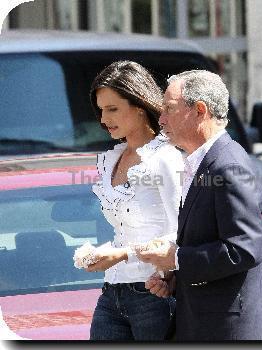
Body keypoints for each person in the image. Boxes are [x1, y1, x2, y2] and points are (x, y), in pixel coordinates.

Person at [136, 70, 262, 340]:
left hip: (232, 332)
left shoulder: (228, 165)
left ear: (199, 110)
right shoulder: (205, 161)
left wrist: (177, 258)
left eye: (169, 109)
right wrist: (176, 277)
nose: (161, 120)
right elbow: (212, 240)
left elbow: (244, 248)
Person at [85, 61, 184, 340]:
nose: (104, 119)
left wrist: (123, 254)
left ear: (140, 106)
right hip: (111, 293)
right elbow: (123, 231)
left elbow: (183, 231)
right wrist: (105, 253)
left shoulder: (165, 158)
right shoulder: (112, 159)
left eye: (112, 109)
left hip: (155, 294)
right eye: (101, 110)